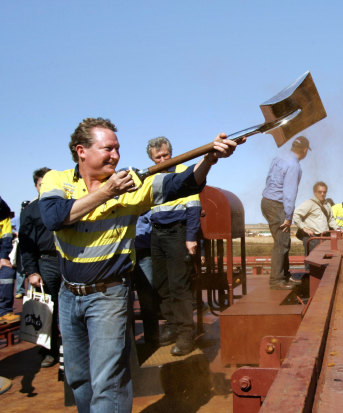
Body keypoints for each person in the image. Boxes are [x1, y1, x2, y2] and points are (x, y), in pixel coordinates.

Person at [39, 117, 240, 413]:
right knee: (79, 378)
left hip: (108, 296)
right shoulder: (57, 180)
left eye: (118, 149)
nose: (116, 155)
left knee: (108, 381)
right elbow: (54, 217)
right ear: (81, 151)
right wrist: (106, 193)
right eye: (108, 149)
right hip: (69, 296)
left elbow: (182, 183)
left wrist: (209, 160)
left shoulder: (133, 187)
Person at [146, 136, 201, 356]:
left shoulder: (183, 172)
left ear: (172, 153)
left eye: (165, 155)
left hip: (177, 233)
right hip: (156, 234)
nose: (162, 159)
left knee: (179, 286)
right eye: (157, 157)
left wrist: (190, 237)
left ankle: (186, 335)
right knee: (161, 284)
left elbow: (194, 208)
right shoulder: (152, 176)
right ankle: (170, 325)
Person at [19, 167, 62, 367]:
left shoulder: (64, 204)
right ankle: (49, 351)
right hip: (46, 263)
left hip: (68, 261)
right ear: (36, 186)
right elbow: (26, 245)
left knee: (72, 309)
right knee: (47, 311)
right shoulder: (30, 210)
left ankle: (73, 348)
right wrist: (32, 271)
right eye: (41, 184)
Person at [261, 136, 310, 290]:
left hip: (266, 201)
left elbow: (269, 179)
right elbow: (289, 194)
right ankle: (276, 281)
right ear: (305, 150)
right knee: (282, 243)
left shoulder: (279, 157)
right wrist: (288, 217)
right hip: (277, 205)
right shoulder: (294, 165)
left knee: (282, 241)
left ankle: (284, 275)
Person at [132, 210, 159, 350]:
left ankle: (152, 338)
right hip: (124, 257)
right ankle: (129, 340)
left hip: (144, 256)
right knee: (123, 301)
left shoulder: (148, 210)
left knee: (147, 298)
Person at [293, 181, 338, 257]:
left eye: (324, 192)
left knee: (325, 261)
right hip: (312, 238)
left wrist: (338, 229)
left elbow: (331, 219)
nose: (322, 194)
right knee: (312, 261)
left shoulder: (327, 204)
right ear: (315, 193)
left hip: (324, 237)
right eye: (320, 192)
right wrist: (304, 228)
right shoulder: (309, 203)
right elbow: (296, 214)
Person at [0, 197, 17, 323]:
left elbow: (6, 239)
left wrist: (3, 257)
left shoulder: (4, 216)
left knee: (7, 272)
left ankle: (5, 311)